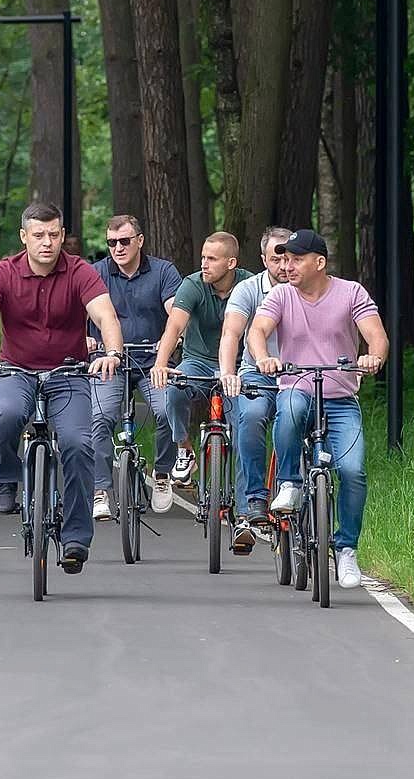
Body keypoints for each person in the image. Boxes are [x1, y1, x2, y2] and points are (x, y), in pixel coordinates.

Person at [0, 202, 125, 575]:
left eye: (54, 234)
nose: (47, 242)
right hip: (16, 370)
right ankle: (7, 478)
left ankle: (76, 539)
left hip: (68, 374)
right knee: (5, 417)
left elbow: (105, 316)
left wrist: (112, 352)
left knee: (78, 443)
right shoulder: (3, 273)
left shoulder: (80, 271)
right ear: (24, 237)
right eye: (39, 235)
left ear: (62, 236)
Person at [245, 228, 388, 590]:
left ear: (319, 262)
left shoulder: (351, 292)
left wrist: (372, 357)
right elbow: (257, 331)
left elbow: (376, 336)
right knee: (290, 413)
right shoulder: (280, 296)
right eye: (283, 259)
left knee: (353, 470)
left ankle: (346, 549)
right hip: (296, 385)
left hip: (341, 397)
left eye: (295, 259)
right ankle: (289, 483)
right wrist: (264, 359)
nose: (287, 266)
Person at [86, 214, 182, 521]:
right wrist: (84, 339)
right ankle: (101, 489)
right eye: (111, 242)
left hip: (153, 361)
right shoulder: (95, 273)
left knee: (167, 409)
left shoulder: (163, 271)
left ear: (139, 241)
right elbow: (73, 314)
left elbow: (175, 312)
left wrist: (174, 337)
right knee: (99, 417)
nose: (117, 247)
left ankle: (163, 473)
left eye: (124, 241)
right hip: (107, 360)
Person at [150, 232, 252, 505]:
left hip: (239, 367)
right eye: (203, 257)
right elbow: (174, 326)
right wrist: (161, 364)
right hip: (198, 361)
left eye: (212, 259)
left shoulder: (249, 284)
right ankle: (185, 450)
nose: (204, 264)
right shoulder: (193, 284)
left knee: (245, 427)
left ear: (231, 263)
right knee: (174, 391)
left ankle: (246, 505)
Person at [216, 226, 291, 553]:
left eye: (290, 255)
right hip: (256, 374)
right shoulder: (248, 290)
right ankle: (254, 502)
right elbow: (232, 334)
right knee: (252, 417)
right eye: (277, 255)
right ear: (263, 259)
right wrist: (228, 373)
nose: (284, 262)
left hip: (297, 375)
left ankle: (303, 496)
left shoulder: (306, 289)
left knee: (302, 424)